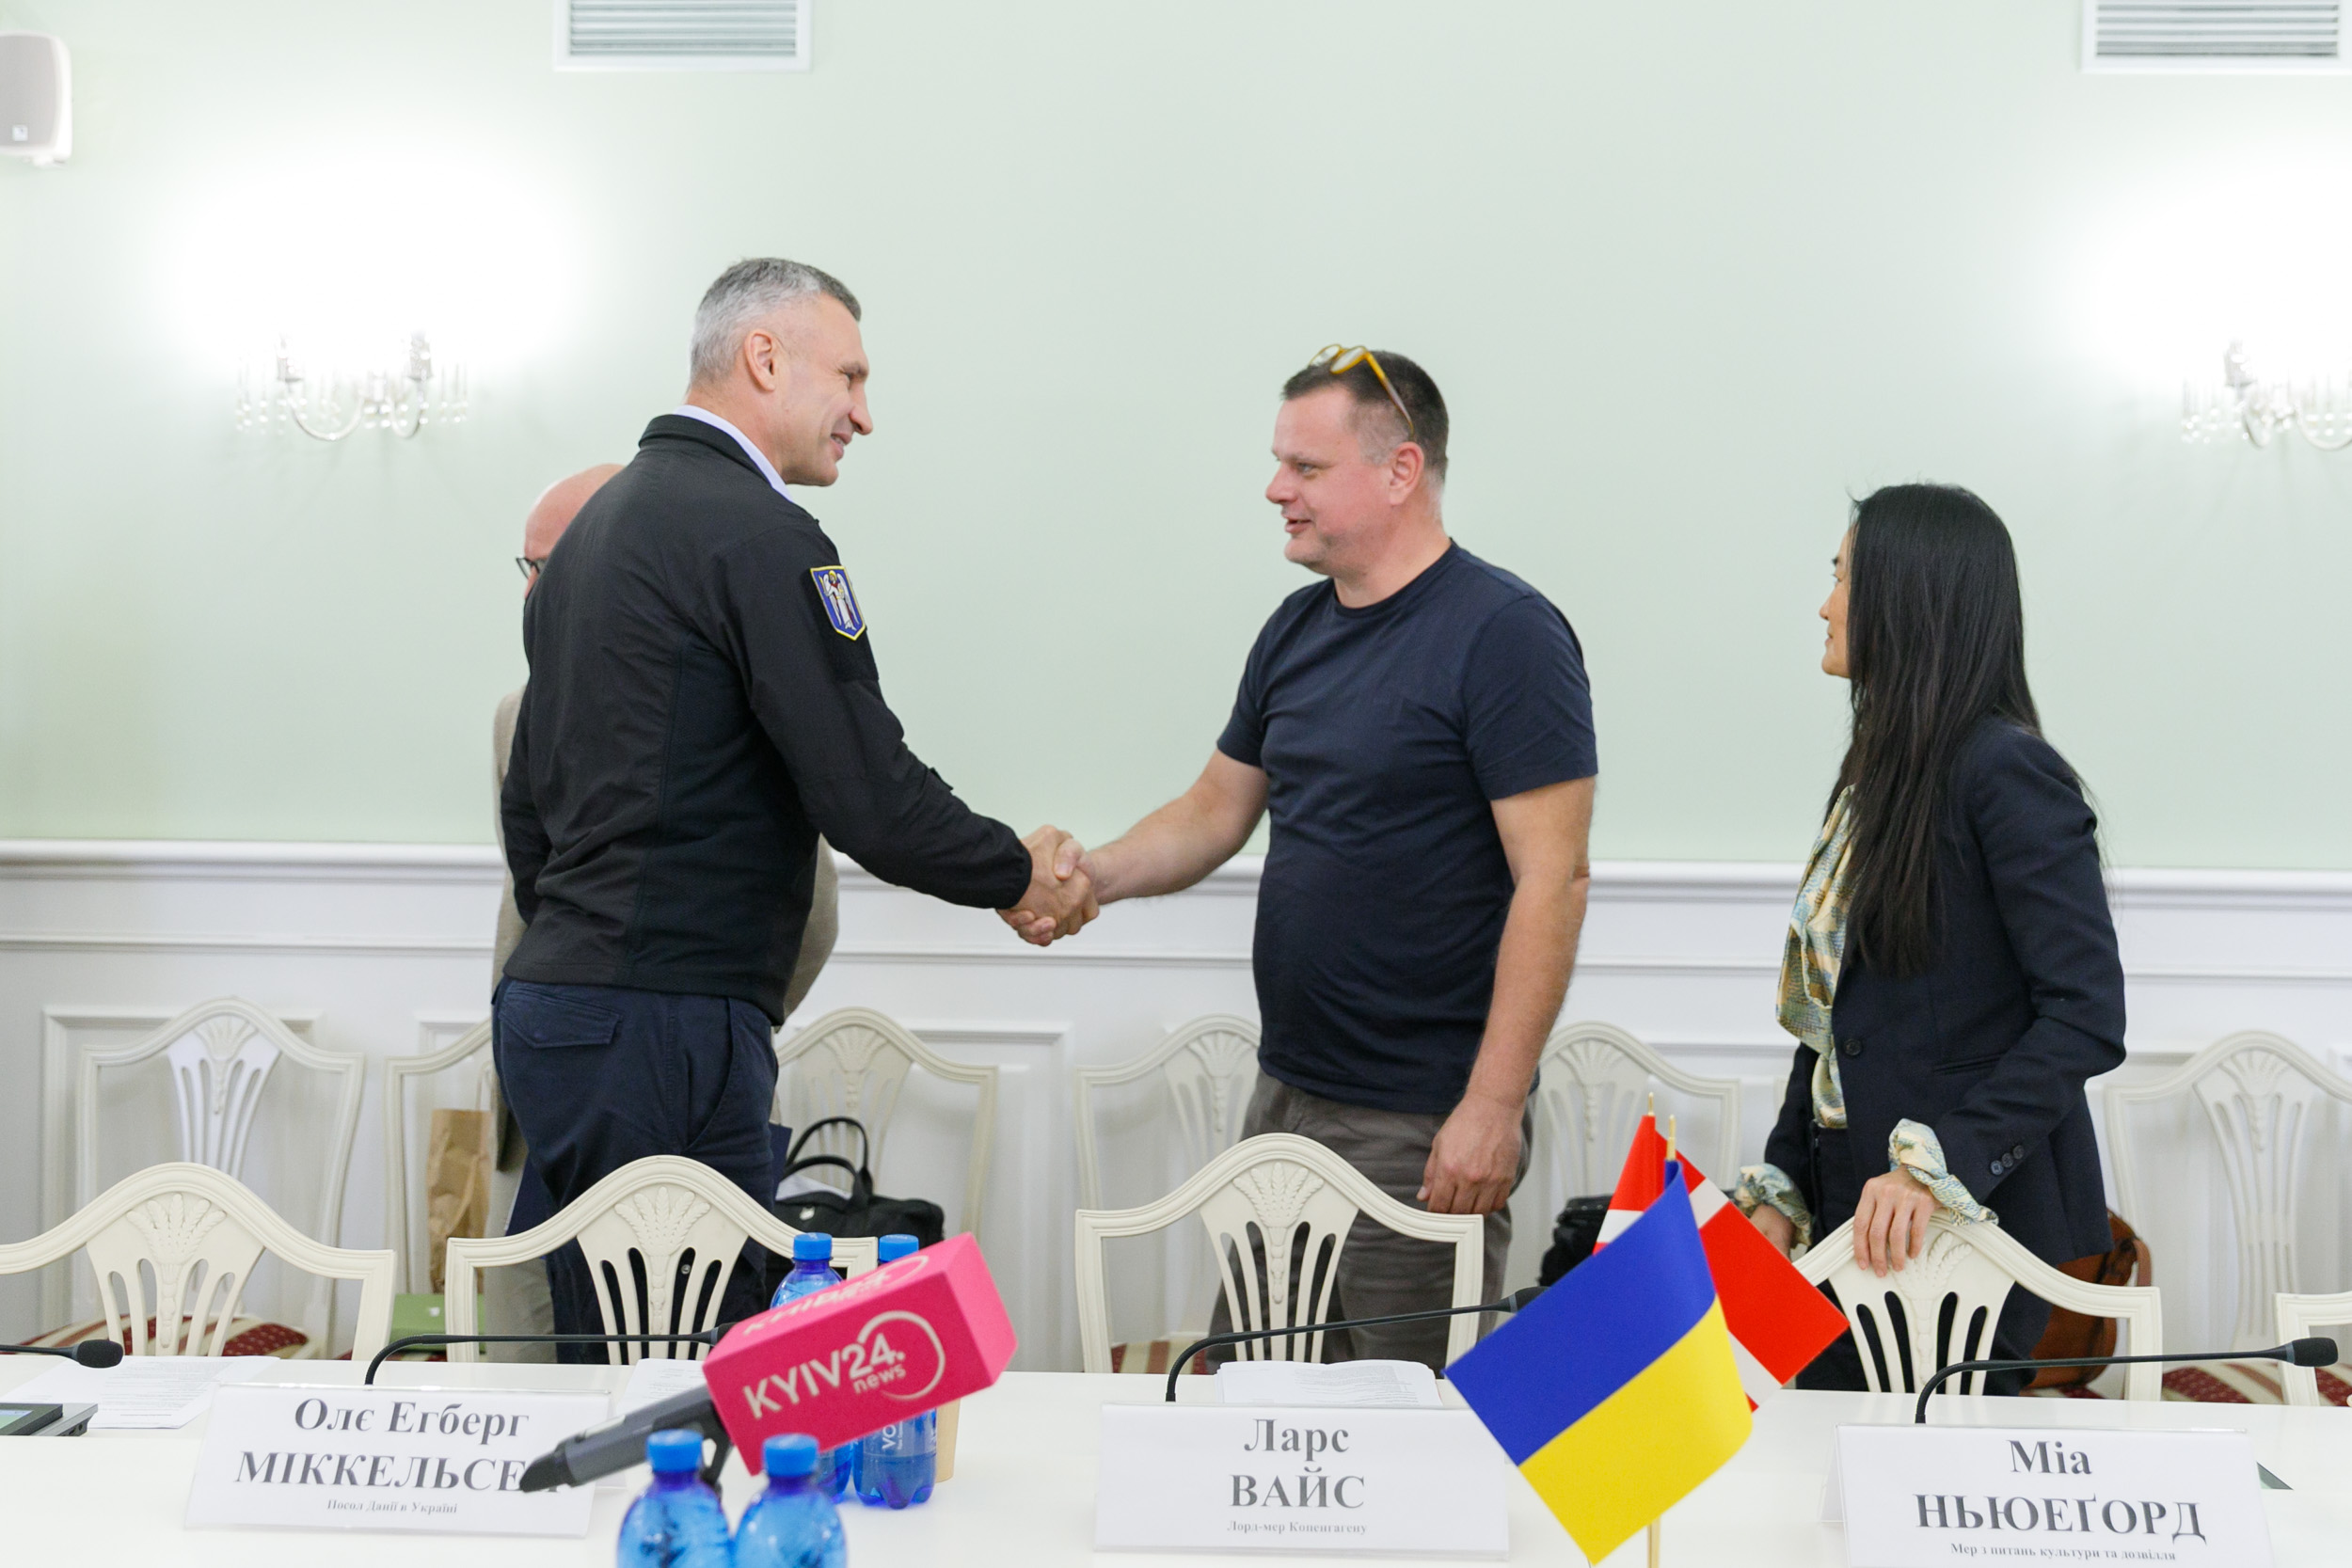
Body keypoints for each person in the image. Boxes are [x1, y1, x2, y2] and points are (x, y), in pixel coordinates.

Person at [499, 258, 1094, 1353]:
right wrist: (1019, 872)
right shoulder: (758, 534)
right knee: (705, 1368)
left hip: (565, 1008)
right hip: (665, 1017)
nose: (864, 414)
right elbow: (866, 793)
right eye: (850, 377)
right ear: (764, 358)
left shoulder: (587, 535)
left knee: (605, 1356)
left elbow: (529, 810)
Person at [1011, 346, 1597, 1370]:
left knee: (1402, 1420)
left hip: (1421, 1119)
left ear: (1400, 470)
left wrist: (1493, 1105)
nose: (1275, 488)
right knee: (1255, 1398)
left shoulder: (1506, 634)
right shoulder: (1294, 629)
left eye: (1306, 467)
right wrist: (1085, 877)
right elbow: (1212, 810)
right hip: (1284, 1098)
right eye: (1280, 462)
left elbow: (1555, 878)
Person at [1736, 483, 2125, 1394]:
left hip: (1962, 1220)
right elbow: (1836, 1024)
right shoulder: (1875, 775)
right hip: (1849, 1198)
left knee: (1916, 1468)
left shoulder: (2007, 769)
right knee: (1811, 1453)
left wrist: (1936, 1165)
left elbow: (2085, 1016)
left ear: (1906, 598)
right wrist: (1784, 1183)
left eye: (1842, 577)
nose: (1825, 603)